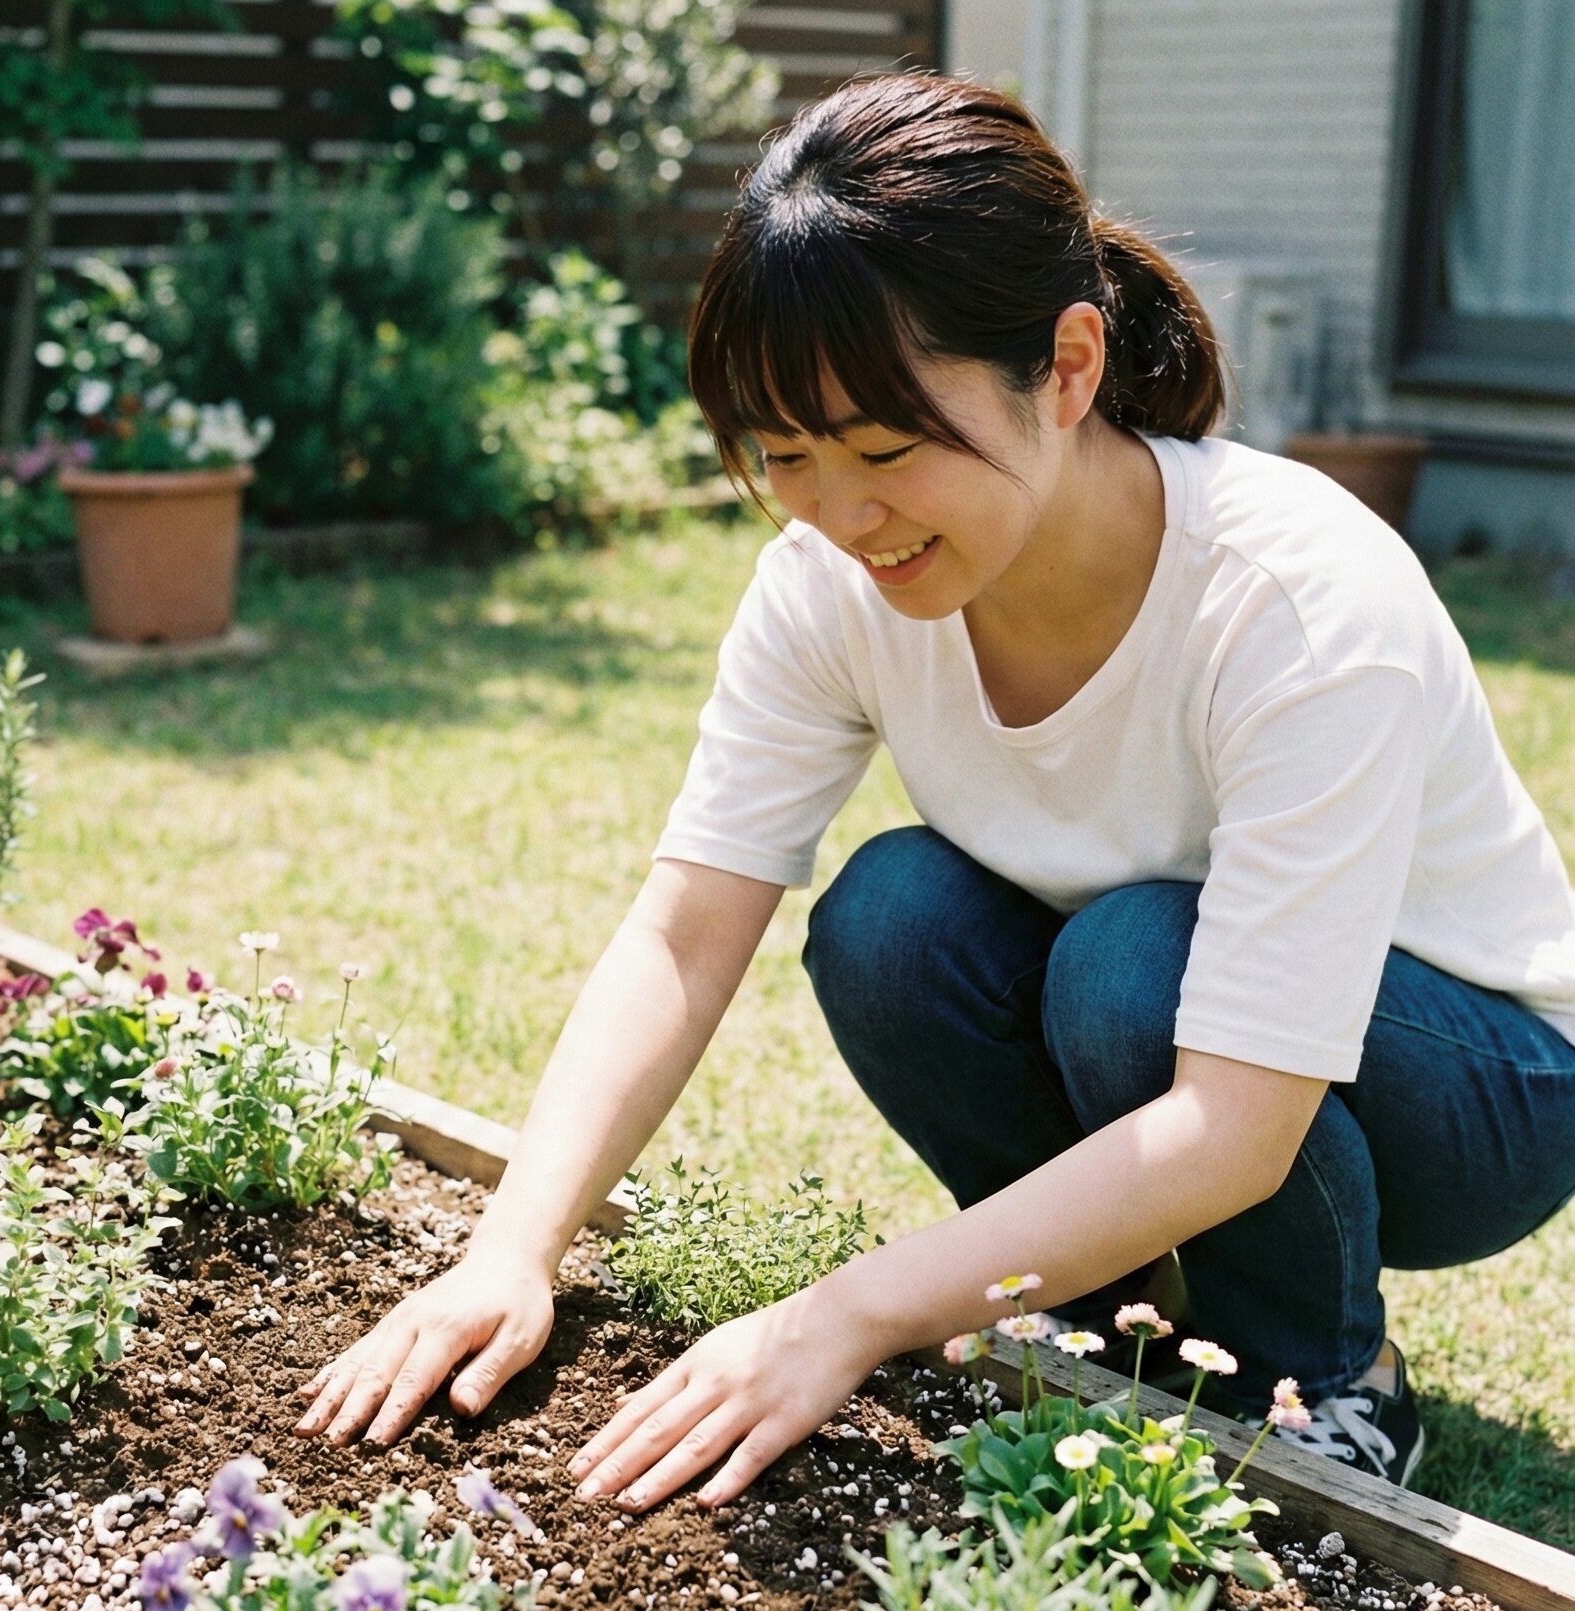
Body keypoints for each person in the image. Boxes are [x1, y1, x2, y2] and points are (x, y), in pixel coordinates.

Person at [297, 71, 1575, 1504]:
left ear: (1070, 368)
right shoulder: (829, 584)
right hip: (1163, 1004)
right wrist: (510, 1252)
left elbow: (1238, 1119)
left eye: (888, 449)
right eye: (783, 454)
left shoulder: (1294, 602)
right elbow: (682, 931)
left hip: (1486, 1085)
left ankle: (1326, 1383)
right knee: (888, 916)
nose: (842, 517)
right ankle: (1102, 1324)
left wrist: (849, 1313)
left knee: (1133, 961)